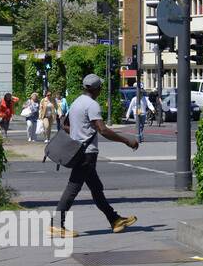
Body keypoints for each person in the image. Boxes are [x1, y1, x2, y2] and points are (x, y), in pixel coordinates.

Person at [49, 74, 140, 239]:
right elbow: (103, 130)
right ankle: (56, 223)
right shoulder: (92, 105)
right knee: (73, 187)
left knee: (96, 188)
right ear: (97, 89)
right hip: (86, 154)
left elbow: (65, 124)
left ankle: (115, 220)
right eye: (100, 88)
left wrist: (78, 133)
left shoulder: (77, 102)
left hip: (78, 151)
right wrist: (127, 140)